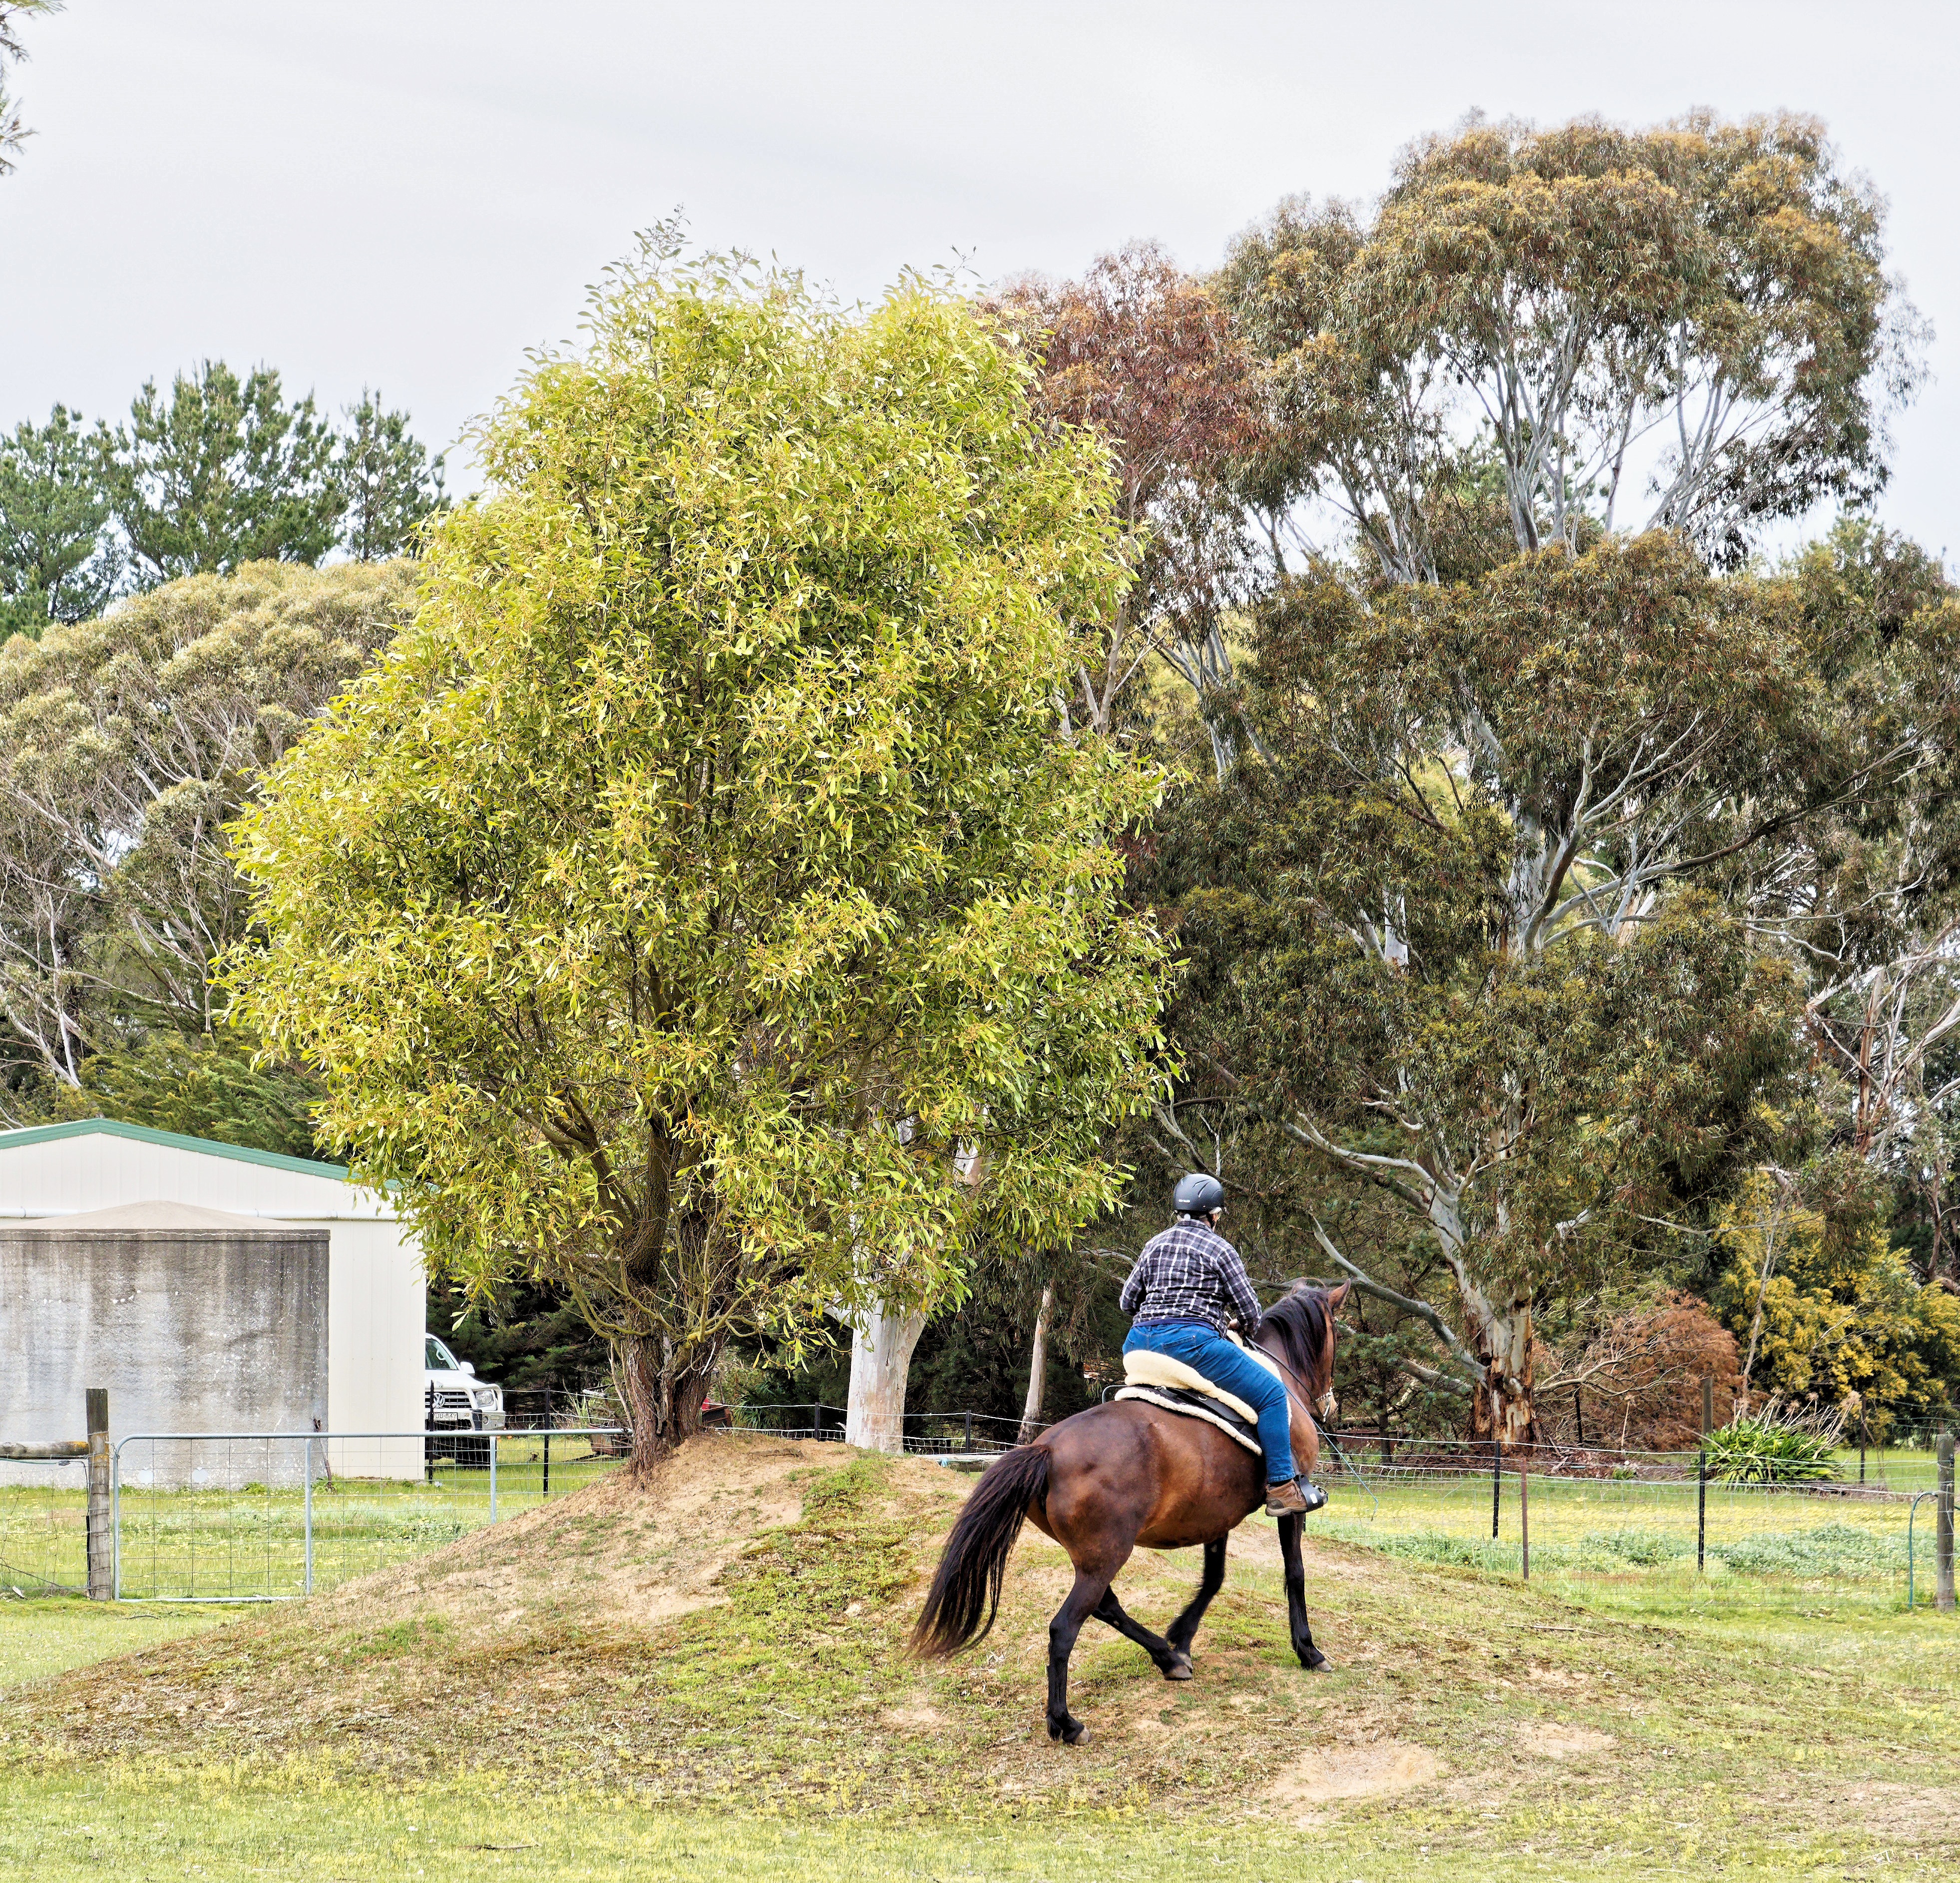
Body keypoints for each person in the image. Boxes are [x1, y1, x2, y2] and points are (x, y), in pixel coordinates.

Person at [1121, 1172, 1327, 1516]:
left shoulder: (1153, 1244)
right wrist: (1237, 1325)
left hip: (1138, 1345)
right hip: (1192, 1345)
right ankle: (1282, 1488)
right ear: (1214, 1215)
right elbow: (1251, 1313)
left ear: (1178, 1211)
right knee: (1272, 1394)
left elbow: (1128, 1302)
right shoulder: (1220, 1248)